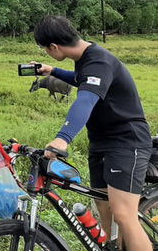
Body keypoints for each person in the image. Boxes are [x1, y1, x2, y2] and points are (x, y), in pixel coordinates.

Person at [33, 15, 152, 251]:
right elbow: (82, 80)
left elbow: (85, 101)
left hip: (127, 141)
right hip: (101, 141)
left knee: (124, 215)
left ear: (54, 46)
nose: (47, 52)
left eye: (45, 49)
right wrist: (53, 70)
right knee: (103, 205)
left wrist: (62, 138)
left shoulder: (99, 62)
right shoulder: (85, 57)